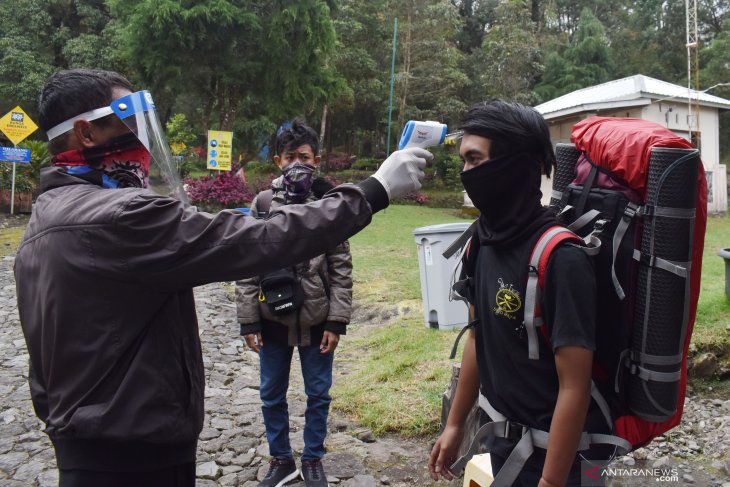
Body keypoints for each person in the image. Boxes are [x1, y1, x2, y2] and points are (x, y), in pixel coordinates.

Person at [14, 68, 431, 487]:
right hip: (133, 451)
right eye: (131, 124)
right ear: (86, 133)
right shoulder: (119, 217)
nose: (142, 140)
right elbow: (257, 240)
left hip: (87, 443)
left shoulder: (47, 217)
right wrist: (374, 190)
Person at [428, 100, 599, 487]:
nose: (466, 173)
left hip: (560, 459)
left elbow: (575, 385)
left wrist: (551, 482)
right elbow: (479, 335)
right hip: (498, 441)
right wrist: (456, 423)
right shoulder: (481, 242)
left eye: (475, 160)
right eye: (464, 162)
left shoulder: (561, 258)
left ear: (516, 165)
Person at [235, 120, 351, 487]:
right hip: (272, 318)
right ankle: (281, 458)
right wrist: (249, 321)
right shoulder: (264, 203)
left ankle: (313, 458)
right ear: (277, 161)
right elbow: (247, 263)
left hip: (318, 319)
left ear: (316, 160)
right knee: (271, 393)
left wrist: (337, 321)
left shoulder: (330, 204)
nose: (297, 164)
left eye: (305, 157)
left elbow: (341, 266)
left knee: (318, 392)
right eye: (290, 157)